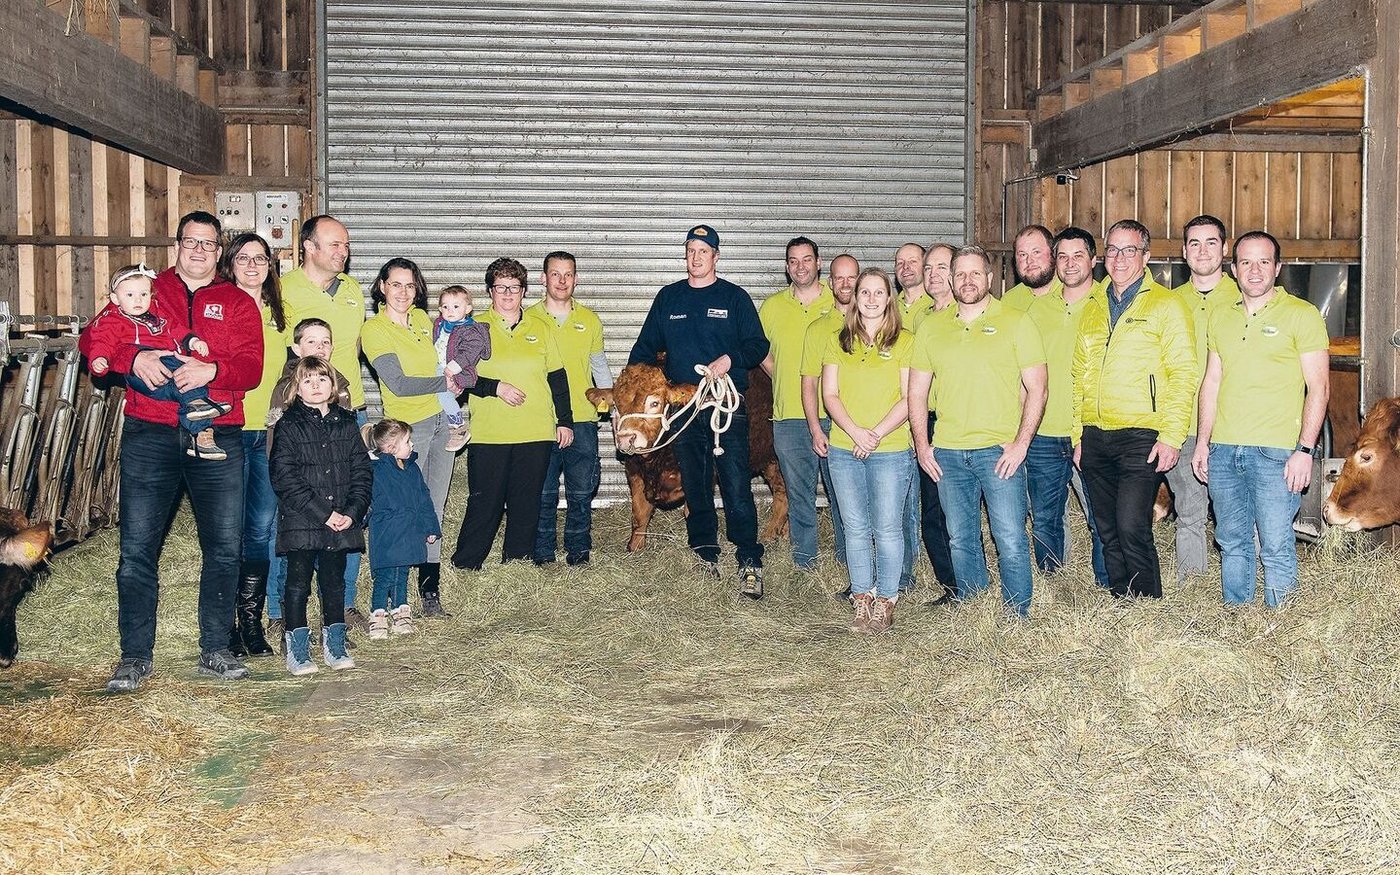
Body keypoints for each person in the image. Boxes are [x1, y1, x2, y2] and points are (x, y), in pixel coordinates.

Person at [83, 210, 264, 692]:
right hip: (150, 432)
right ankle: (135, 656)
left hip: (218, 430)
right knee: (137, 549)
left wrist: (213, 371)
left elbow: (252, 369)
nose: (199, 250)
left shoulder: (238, 302)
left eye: (209, 243)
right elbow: (99, 339)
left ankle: (215, 649)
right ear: (177, 244)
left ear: (219, 249)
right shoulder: (144, 289)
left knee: (225, 547)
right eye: (191, 241)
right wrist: (132, 357)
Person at [628, 225, 770, 597]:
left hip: (726, 405)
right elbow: (642, 352)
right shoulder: (669, 298)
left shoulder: (735, 298)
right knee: (696, 484)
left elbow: (757, 346)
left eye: (704, 251)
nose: (696, 257)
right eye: (691, 250)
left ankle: (749, 559)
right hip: (684, 412)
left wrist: (729, 359)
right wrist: (643, 391)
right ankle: (705, 553)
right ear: (685, 255)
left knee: (737, 484)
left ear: (716, 256)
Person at [1192, 232, 1330, 608]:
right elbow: (1212, 381)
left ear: (1278, 268)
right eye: (1246, 262)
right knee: (1232, 540)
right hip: (1224, 450)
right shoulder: (1222, 316)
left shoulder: (1302, 315)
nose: (1255, 270)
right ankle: (1238, 618)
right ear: (1233, 269)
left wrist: (1305, 450)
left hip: (1277, 453)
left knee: (1275, 544)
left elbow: (1319, 388)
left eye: (1264, 262)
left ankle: (1277, 626)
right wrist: (1204, 443)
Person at [909, 245, 1047, 617]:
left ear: (990, 278)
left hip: (998, 453)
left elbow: (1038, 388)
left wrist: (1021, 444)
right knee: (961, 539)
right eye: (960, 274)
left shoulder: (1017, 321)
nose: (967, 281)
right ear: (951, 281)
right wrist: (923, 446)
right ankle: (974, 613)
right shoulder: (932, 328)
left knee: (1011, 539)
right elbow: (917, 392)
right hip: (949, 453)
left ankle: (1017, 616)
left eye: (975, 274)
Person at [1072, 220, 1197, 599]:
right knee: (1105, 527)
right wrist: (1078, 435)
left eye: (1129, 250)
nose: (1120, 258)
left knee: (1131, 525)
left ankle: (1145, 603)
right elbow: (1079, 375)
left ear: (1145, 257)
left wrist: (1172, 436)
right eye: (1112, 249)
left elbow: (1183, 373)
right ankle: (1119, 599)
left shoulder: (1167, 304)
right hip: (1095, 435)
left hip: (1141, 435)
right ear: (1103, 256)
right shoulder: (1092, 306)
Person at [450, 257, 574, 569]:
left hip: (535, 431)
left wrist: (565, 421)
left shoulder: (541, 328)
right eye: (500, 287)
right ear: (490, 291)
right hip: (491, 432)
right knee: (485, 503)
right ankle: (466, 565)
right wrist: (496, 388)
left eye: (514, 287)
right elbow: (458, 376)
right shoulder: (472, 328)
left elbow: (558, 378)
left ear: (523, 290)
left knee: (526, 504)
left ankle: (517, 566)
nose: (508, 293)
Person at [281, 215, 369, 628]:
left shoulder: (352, 289)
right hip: (300, 413)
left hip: (348, 412)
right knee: (295, 510)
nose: (343, 252)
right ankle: (282, 611)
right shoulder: (283, 289)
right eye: (334, 244)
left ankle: (343, 604)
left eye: (346, 245)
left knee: (351, 507)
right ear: (308, 247)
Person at [360, 258, 457, 617]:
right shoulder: (374, 330)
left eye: (410, 285)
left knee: (434, 506)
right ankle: (391, 591)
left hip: (442, 420)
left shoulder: (421, 320)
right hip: (408, 429)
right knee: (403, 509)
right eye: (395, 284)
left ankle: (429, 594)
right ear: (382, 287)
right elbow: (397, 383)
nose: (403, 292)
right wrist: (444, 383)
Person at [820, 268, 914, 633]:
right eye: (865, 293)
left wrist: (873, 434)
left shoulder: (905, 341)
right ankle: (862, 598)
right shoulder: (838, 341)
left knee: (888, 528)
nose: (872, 299)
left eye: (879, 293)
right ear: (854, 299)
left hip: (889, 448)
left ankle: (886, 601)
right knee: (855, 527)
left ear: (889, 299)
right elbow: (829, 394)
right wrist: (856, 432)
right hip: (844, 447)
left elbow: (911, 398)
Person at [269, 356, 372, 675]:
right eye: (307, 381)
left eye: (322, 379)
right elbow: (283, 475)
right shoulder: (289, 424)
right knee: (297, 583)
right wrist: (323, 513)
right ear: (296, 389)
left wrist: (352, 513)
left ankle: (335, 644)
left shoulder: (347, 422)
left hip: (341, 519)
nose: (315, 386)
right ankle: (298, 649)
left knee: (334, 583)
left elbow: (362, 472)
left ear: (334, 386)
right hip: (303, 520)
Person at [1024, 227, 1109, 587]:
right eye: (1062, 256)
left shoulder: (1110, 305)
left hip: (1091, 431)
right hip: (1044, 431)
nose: (1070, 264)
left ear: (1093, 260)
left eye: (1078, 256)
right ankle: (1051, 584)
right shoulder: (1036, 310)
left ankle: (1107, 584)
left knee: (1100, 516)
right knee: (1044, 516)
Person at [82, 264, 229, 459]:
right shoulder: (112, 319)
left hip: (166, 369)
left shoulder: (157, 312)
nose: (138, 300)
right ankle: (197, 403)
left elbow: (175, 328)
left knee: (188, 373)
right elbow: (99, 340)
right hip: (140, 374)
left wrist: (192, 340)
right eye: (130, 296)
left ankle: (200, 435)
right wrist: (100, 360)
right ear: (115, 298)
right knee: (182, 374)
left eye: (143, 295)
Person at [220, 233, 287, 659]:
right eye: (243, 258)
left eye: (260, 258)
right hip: (229, 425)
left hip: (269, 430)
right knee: (228, 529)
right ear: (230, 263)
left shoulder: (281, 312)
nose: (252, 265)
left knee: (261, 527)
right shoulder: (219, 306)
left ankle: (251, 622)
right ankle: (224, 624)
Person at [1168, 215, 1240, 581]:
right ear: (1183, 252)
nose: (1202, 251)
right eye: (1194, 243)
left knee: (1236, 514)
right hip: (1183, 426)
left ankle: (1241, 586)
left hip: (1232, 427)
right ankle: (1192, 590)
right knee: (1189, 511)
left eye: (1211, 242)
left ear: (1225, 249)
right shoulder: (1169, 302)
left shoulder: (1246, 296)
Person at [530, 251, 610, 567]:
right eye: (555, 274)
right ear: (543, 278)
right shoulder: (528, 317)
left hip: (583, 420)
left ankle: (579, 553)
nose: (562, 281)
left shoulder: (589, 320)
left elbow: (599, 365)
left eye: (568, 274)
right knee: (544, 493)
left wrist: (612, 408)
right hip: (541, 421)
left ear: (575, 279)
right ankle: (543, 553)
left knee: (581, 493)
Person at [760, 236, 836, 571]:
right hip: (789, 415)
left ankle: (848, 559)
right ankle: (806, 563)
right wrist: (782, 375)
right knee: (800, 495)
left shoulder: (839, 302)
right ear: (787, 266)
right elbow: (758, 348)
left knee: (842, 495)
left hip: (836, 415)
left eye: (807, 259)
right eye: (793, 260)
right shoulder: (773, 307)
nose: (800, 266)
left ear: (819, 263)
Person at [800, 252, 856, 582]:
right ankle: (845, 562)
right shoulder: (818, 329)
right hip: (828, 424)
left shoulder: (874, 323)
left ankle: (857, 564)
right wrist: (814, 429)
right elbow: (809, 382)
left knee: (855, 502)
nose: (846, 284)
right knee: (838, 498)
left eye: (852, 277)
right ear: (830, 282)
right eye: (840, 278)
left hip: (864, 426)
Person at [908, 243, 959, 603]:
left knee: (960, 512)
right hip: (929, 419)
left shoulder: (970, 312)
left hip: (963, 420)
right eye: (928, 268)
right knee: (933, 512)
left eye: (942, 267)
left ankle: (970, 585)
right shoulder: (922, 318)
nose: (933, 274)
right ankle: (951, 586)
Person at [366, 419, 441, 638]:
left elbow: (424, 500)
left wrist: (430, 528)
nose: (412, 445)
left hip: (409, 531)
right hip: (387, 532)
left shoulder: (412, 470)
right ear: (390, 448)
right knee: (385, 576)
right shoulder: (376, 470)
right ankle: (378, 617)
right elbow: (367, 500)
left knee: (402, 573)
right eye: (407, 441)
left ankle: (401, 614)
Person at [434, 284, 491, 452]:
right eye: (445, 307)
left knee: (444, 396)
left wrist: (453, 368)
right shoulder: (440, 324)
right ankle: (446, 424)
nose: (450, 310)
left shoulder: (470, 330)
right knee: (438, 397)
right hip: (439, 366)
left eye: (456, 306)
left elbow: (471, 351)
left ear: (468, 309)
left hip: (457, 371)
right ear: (440, 309)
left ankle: (459, 425)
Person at [1001, 225, 1060, 312]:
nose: (1029, 261)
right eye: (1022, 255)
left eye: (1036, 252)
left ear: (1053, 254)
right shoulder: (1008, 302)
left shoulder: (1073, 294)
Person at [893, 242, 932, 327]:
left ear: (925, 267)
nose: (905, 267)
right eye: (900, 263)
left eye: (912, 261)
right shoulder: (889, 308)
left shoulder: (936, 306)